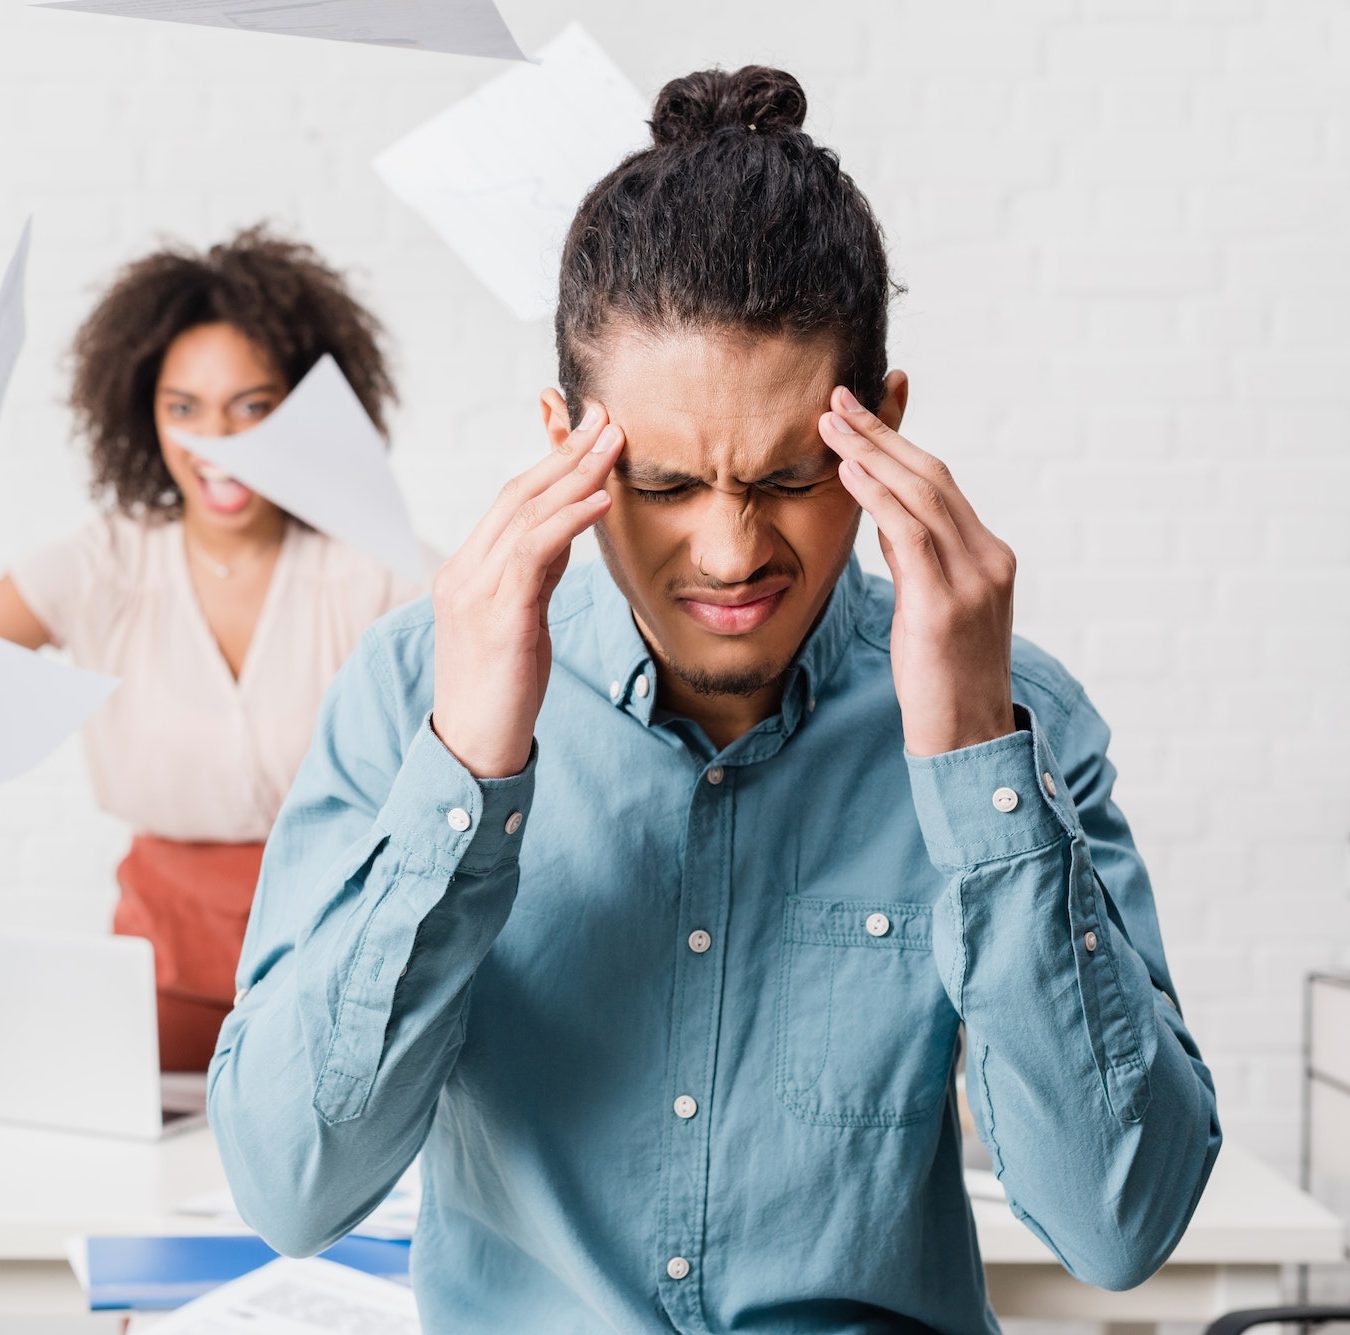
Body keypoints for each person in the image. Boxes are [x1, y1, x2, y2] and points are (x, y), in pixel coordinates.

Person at [208, 69, 1222, 1333]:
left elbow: (1120, 1226)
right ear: (565, 442)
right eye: (670, 483)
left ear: (885, 431)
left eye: (791, 476)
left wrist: (975, 764)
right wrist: (467, 772)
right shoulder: (416, 691)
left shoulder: (1010, 715)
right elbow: (289, 1190)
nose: (732, 554)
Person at [0, 224, 437, 1071]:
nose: (218, 440)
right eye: (184, 408)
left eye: (253, 407)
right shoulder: (106, 562)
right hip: (155, 974)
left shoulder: (373, 566)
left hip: (335, 964)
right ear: (143, 411)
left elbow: (526, 638)